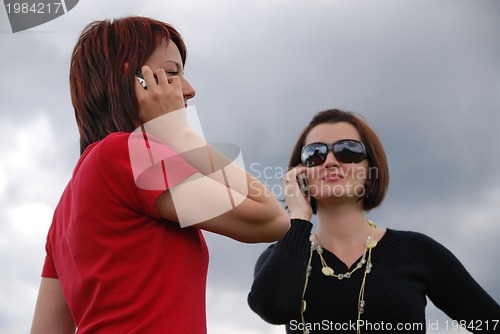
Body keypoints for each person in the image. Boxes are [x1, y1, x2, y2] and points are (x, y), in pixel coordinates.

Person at [30, 16, 289, 334]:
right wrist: (181, 134)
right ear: (135, 81)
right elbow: (271, 218)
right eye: (172, 73)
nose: (190, 90)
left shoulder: (66, 205)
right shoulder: (125, 153)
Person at [247, 108, 500, 333]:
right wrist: (299, 217)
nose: (331, 162)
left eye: (348, 151)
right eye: (315, 154)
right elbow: (273, 308)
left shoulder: (417, 252)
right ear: (300, 175)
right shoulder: (281, 257)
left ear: (370, 172)